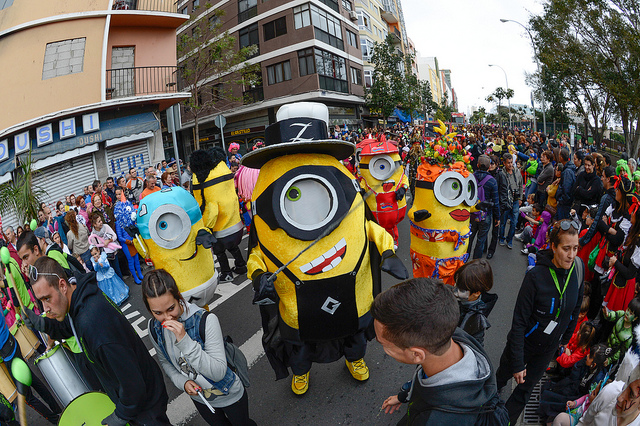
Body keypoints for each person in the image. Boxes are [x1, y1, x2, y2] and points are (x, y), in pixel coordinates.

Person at [26, 256, 171, 425]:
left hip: (146, 405)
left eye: (47, 298)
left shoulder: (93, 322)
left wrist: (122, 415)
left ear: (62, 285)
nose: (45, 308)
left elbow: (132, 382)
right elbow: (70, 326)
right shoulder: (78, 295)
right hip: (142, 396)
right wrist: (44, 324)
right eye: (41, 301)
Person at [372, 277, 507, 424]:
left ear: (417, 355)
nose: (384, 349)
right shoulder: (452, 336)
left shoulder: (434, 421)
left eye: (384, 344)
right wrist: (404, 397)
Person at [496, 219, 584, 425]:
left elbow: (577, 306)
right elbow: (518, 323)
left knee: (524, 392)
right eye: (566, 248)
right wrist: (518, 363)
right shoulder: (535, 277)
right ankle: (484, 410)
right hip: (523, 344)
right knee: (501, 378)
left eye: (575, 248)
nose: (571, 255)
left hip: (547, 349)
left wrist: (565, 338)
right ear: (553, 247)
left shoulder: (577, 269)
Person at [143, 269, 256, 426]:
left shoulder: (206, 320)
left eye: (171, 308)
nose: (167, 318)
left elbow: (218, 373)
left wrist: (184, 340)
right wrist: (183, 382)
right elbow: (166, 363)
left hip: (228, 393)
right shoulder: (154, 328)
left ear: (179, 298)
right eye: (158, 312)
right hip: (201, 398)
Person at [0, 302, 61, 424]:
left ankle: (56, 420)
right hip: (12, 343)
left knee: (27, 397)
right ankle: (57, 408)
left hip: (8, 355)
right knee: (32, 378)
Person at [453, 259, 497, 346]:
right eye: (456, 284)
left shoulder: (477, 320)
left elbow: (476, 346)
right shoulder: (454, 297)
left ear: (477, 293)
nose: (455, 291)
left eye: (461, 290)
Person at [468, 154, 500, 260]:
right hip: (486, 215)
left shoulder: (470, 177)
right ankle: (475, 263)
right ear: (488, 167)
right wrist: (497, 217)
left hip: (471, 213)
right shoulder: (492, 181)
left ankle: (464, 260)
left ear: (477, 165)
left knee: (469, 238)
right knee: (481, 240)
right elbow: (495, 201)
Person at [498, 152, 523, 249]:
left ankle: (509, 239)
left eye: (511, 162)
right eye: (508, 163)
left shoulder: (517, 171)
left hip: (516, 200)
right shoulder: (502, 173)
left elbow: (521, 184)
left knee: (514, 221)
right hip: (506, 200)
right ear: (504, 163)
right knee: (503, 221)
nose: (510, 165)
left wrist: (520, 197)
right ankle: (501, 238)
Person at [90, 213, 123, 280]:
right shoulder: (93, 235)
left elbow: (115, 236)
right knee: (110, 273)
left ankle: (122, 285)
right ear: (94, 224)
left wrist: (109, 240)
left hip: (112, 253)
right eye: (99, 221)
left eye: (101, 220)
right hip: (104, 256)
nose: (101, 222)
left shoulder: (106, 227)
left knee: (117, 270)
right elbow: (95, 246)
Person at [555, 148, 577, 220]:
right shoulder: (568, 169)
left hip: (564, 205)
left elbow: (566, 188)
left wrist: (562, 200)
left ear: (561, 157)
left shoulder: (567, 172)